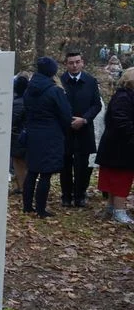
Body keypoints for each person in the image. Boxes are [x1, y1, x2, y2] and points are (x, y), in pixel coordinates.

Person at [22, 57, 72, 219]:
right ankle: (41, 209)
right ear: (52, 71)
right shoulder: (55, 91)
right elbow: (66, 115)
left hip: (32, 133)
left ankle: (27, 206)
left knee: (32, 171)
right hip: (50, 135)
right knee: (45, 174)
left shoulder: (29, 88)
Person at [60, 51, 102, 208]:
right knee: (65, 164)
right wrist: (68, 120)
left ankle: (79, 196)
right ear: (66, 64)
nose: (74, 65)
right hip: (65, 129)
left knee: (82, 165)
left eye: (77, 62)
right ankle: (66, 196)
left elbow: (96, 104)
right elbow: (55, 104)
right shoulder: (60, 81)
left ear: (82, 62)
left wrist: (84, 119)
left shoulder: (90, 81)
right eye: (71, 62)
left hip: (84, 128)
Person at [95, 67, 134, 223]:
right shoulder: (124, 97)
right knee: (120, 179)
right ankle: (119, 211)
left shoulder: (124, 96)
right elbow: (122, 122)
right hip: (120, 147)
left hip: (118, 146)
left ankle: (111, 208)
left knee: (116, 178)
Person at [10, 74, 29, 194]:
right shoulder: (29, 100)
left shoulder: (17, 103)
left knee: (18, 162)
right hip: (25, 134)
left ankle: (22, 187)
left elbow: (13, 120)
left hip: (18, 136)